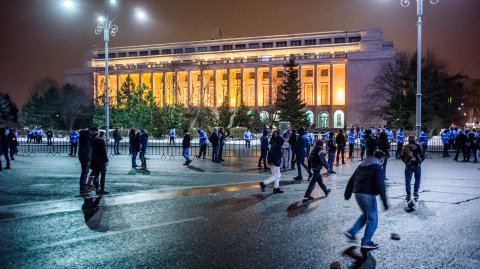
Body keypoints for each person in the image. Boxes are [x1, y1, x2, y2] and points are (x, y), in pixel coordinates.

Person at [344, 150, 388, 250]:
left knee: (365, 214)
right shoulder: (377, 166)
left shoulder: (363, 164)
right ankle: (366, 242)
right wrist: (384, 201)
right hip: (368, 194)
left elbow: (352, 179)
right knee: (373, 219)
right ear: (382, 158)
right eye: (383, 160)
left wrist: (348, 192)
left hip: (358, 193)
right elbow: (380, 184)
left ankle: (351, 232)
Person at [400, 135, 425, 201]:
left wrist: (406, 162)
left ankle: (408, 193)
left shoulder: (405, 147)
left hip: (408, 165)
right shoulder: (419, 146)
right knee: (417, 179)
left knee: (408, 180)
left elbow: (401, 156)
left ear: (408, 140)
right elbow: (423, 156)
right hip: (417, 165)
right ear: (415, 139)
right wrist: (419, 162)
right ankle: (416, 192)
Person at [78, 127, 97, 193]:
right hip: (86, 157)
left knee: (85, 172)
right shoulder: (87, 137)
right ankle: (83, 187)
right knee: (85, 172)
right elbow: (92, 141)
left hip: (83, 156)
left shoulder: (83, 137)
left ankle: (84, 186)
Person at [91, 131, 109, 195]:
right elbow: (103, 152)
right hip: (101, 161)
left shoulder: (94, 141)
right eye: (104, 135)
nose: (105, 137)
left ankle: (97, 189)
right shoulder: (101, 141)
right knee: (103, 175)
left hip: (95, 161)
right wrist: (106, 160)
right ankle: (102, 189)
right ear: (102, 135)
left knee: (96, 175)